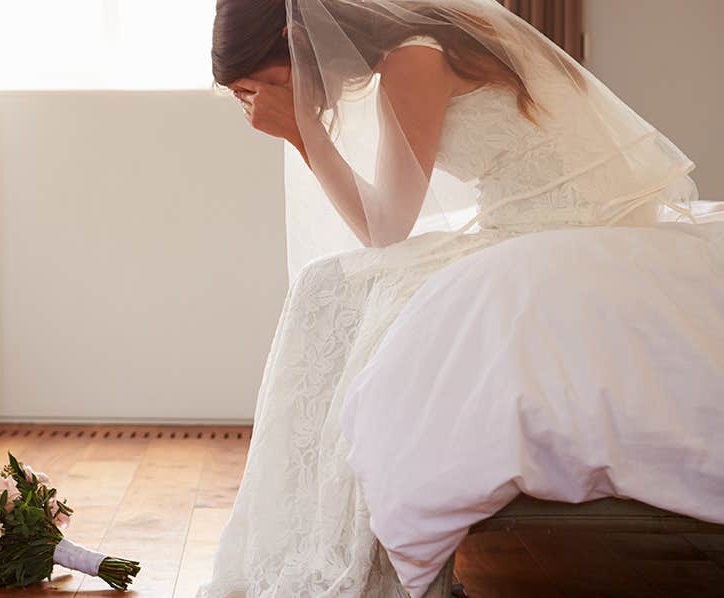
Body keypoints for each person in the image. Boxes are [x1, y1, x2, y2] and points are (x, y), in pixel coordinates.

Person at [199, 1, 717, 596]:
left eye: (261, 85)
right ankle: (325, 524)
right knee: (334, 284)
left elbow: (386, 229)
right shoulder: (426, 43)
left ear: (296, 38)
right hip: (537, 225)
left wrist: (299, 132)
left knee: (336, 289)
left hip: (551, 234)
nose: (261, 104)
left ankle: (335, 539)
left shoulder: (414, 57)